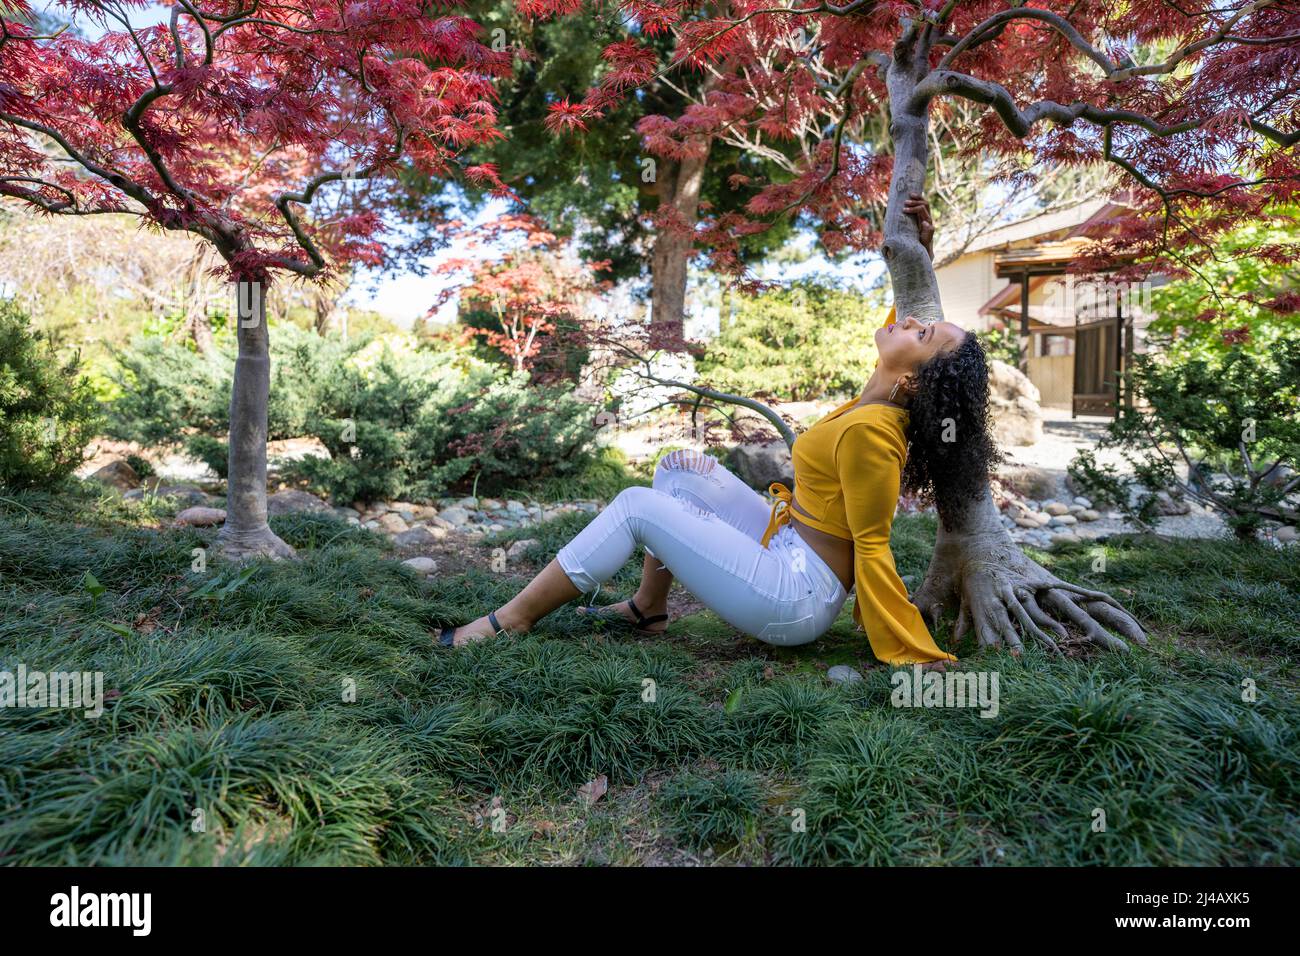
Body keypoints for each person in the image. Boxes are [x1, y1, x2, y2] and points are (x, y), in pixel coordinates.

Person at [438, 195, 998, 667]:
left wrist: (908, 647)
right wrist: (921, 252)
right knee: (677, 469)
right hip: (788, 540)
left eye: (924, 335)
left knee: (637, 506)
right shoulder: (878, 396)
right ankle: (648, 607)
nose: (910, 323)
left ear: (918, 381)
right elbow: (902, 319)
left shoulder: (876, 430)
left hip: (796, 594)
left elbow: (872, 546)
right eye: (921, 321)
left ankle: (512, 620)